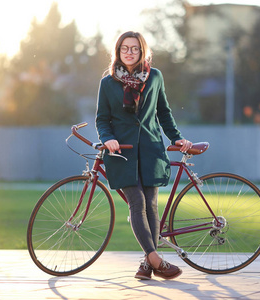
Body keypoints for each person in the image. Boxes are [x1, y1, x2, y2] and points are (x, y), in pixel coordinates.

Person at [95, 31, 192, 280]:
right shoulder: (107, 83)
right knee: (136, 202)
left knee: (150, 205)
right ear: (117, 52)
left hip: (150, 149)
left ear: (142, 51)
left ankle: (147, 266)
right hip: (121, 153)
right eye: (125, 48)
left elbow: (164, 112)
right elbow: (102, 119)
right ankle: (155, 258)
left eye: (134, 48)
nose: (129, 52)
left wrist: (176, 137)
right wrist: (107, 138)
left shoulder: (155, 77)